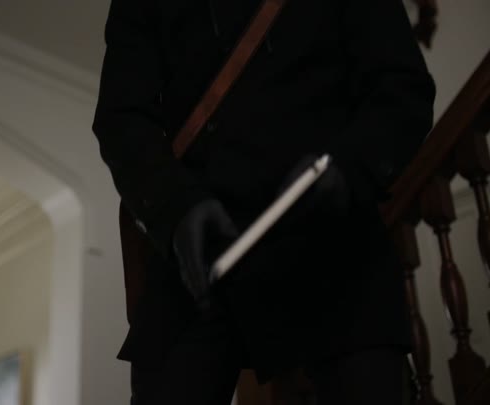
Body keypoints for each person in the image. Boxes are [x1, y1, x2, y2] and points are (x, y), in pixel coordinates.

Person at [91, 0, 436, 404]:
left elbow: (401, 89)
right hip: (201, 250)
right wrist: (175, 207)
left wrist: (348, 169)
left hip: (333, 239)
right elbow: (122, 119)